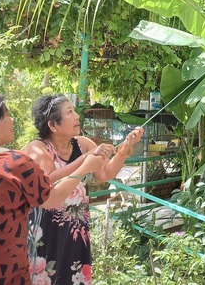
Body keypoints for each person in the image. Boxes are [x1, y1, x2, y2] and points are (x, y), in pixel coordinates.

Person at [0, 94, 105, 285]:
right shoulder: (13, 163)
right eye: (7, 115)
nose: (13, 119)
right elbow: (51, 198)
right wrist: (85, 168)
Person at [24, 94, 144, 285]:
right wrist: (85, 161)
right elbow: (47, 182)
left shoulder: (82, 143)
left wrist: (125, 148)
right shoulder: (38, 148)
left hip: (75, 232)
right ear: (53, 125)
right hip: (45, 232)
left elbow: (104, 173)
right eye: (69, 112)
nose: (77, 116)